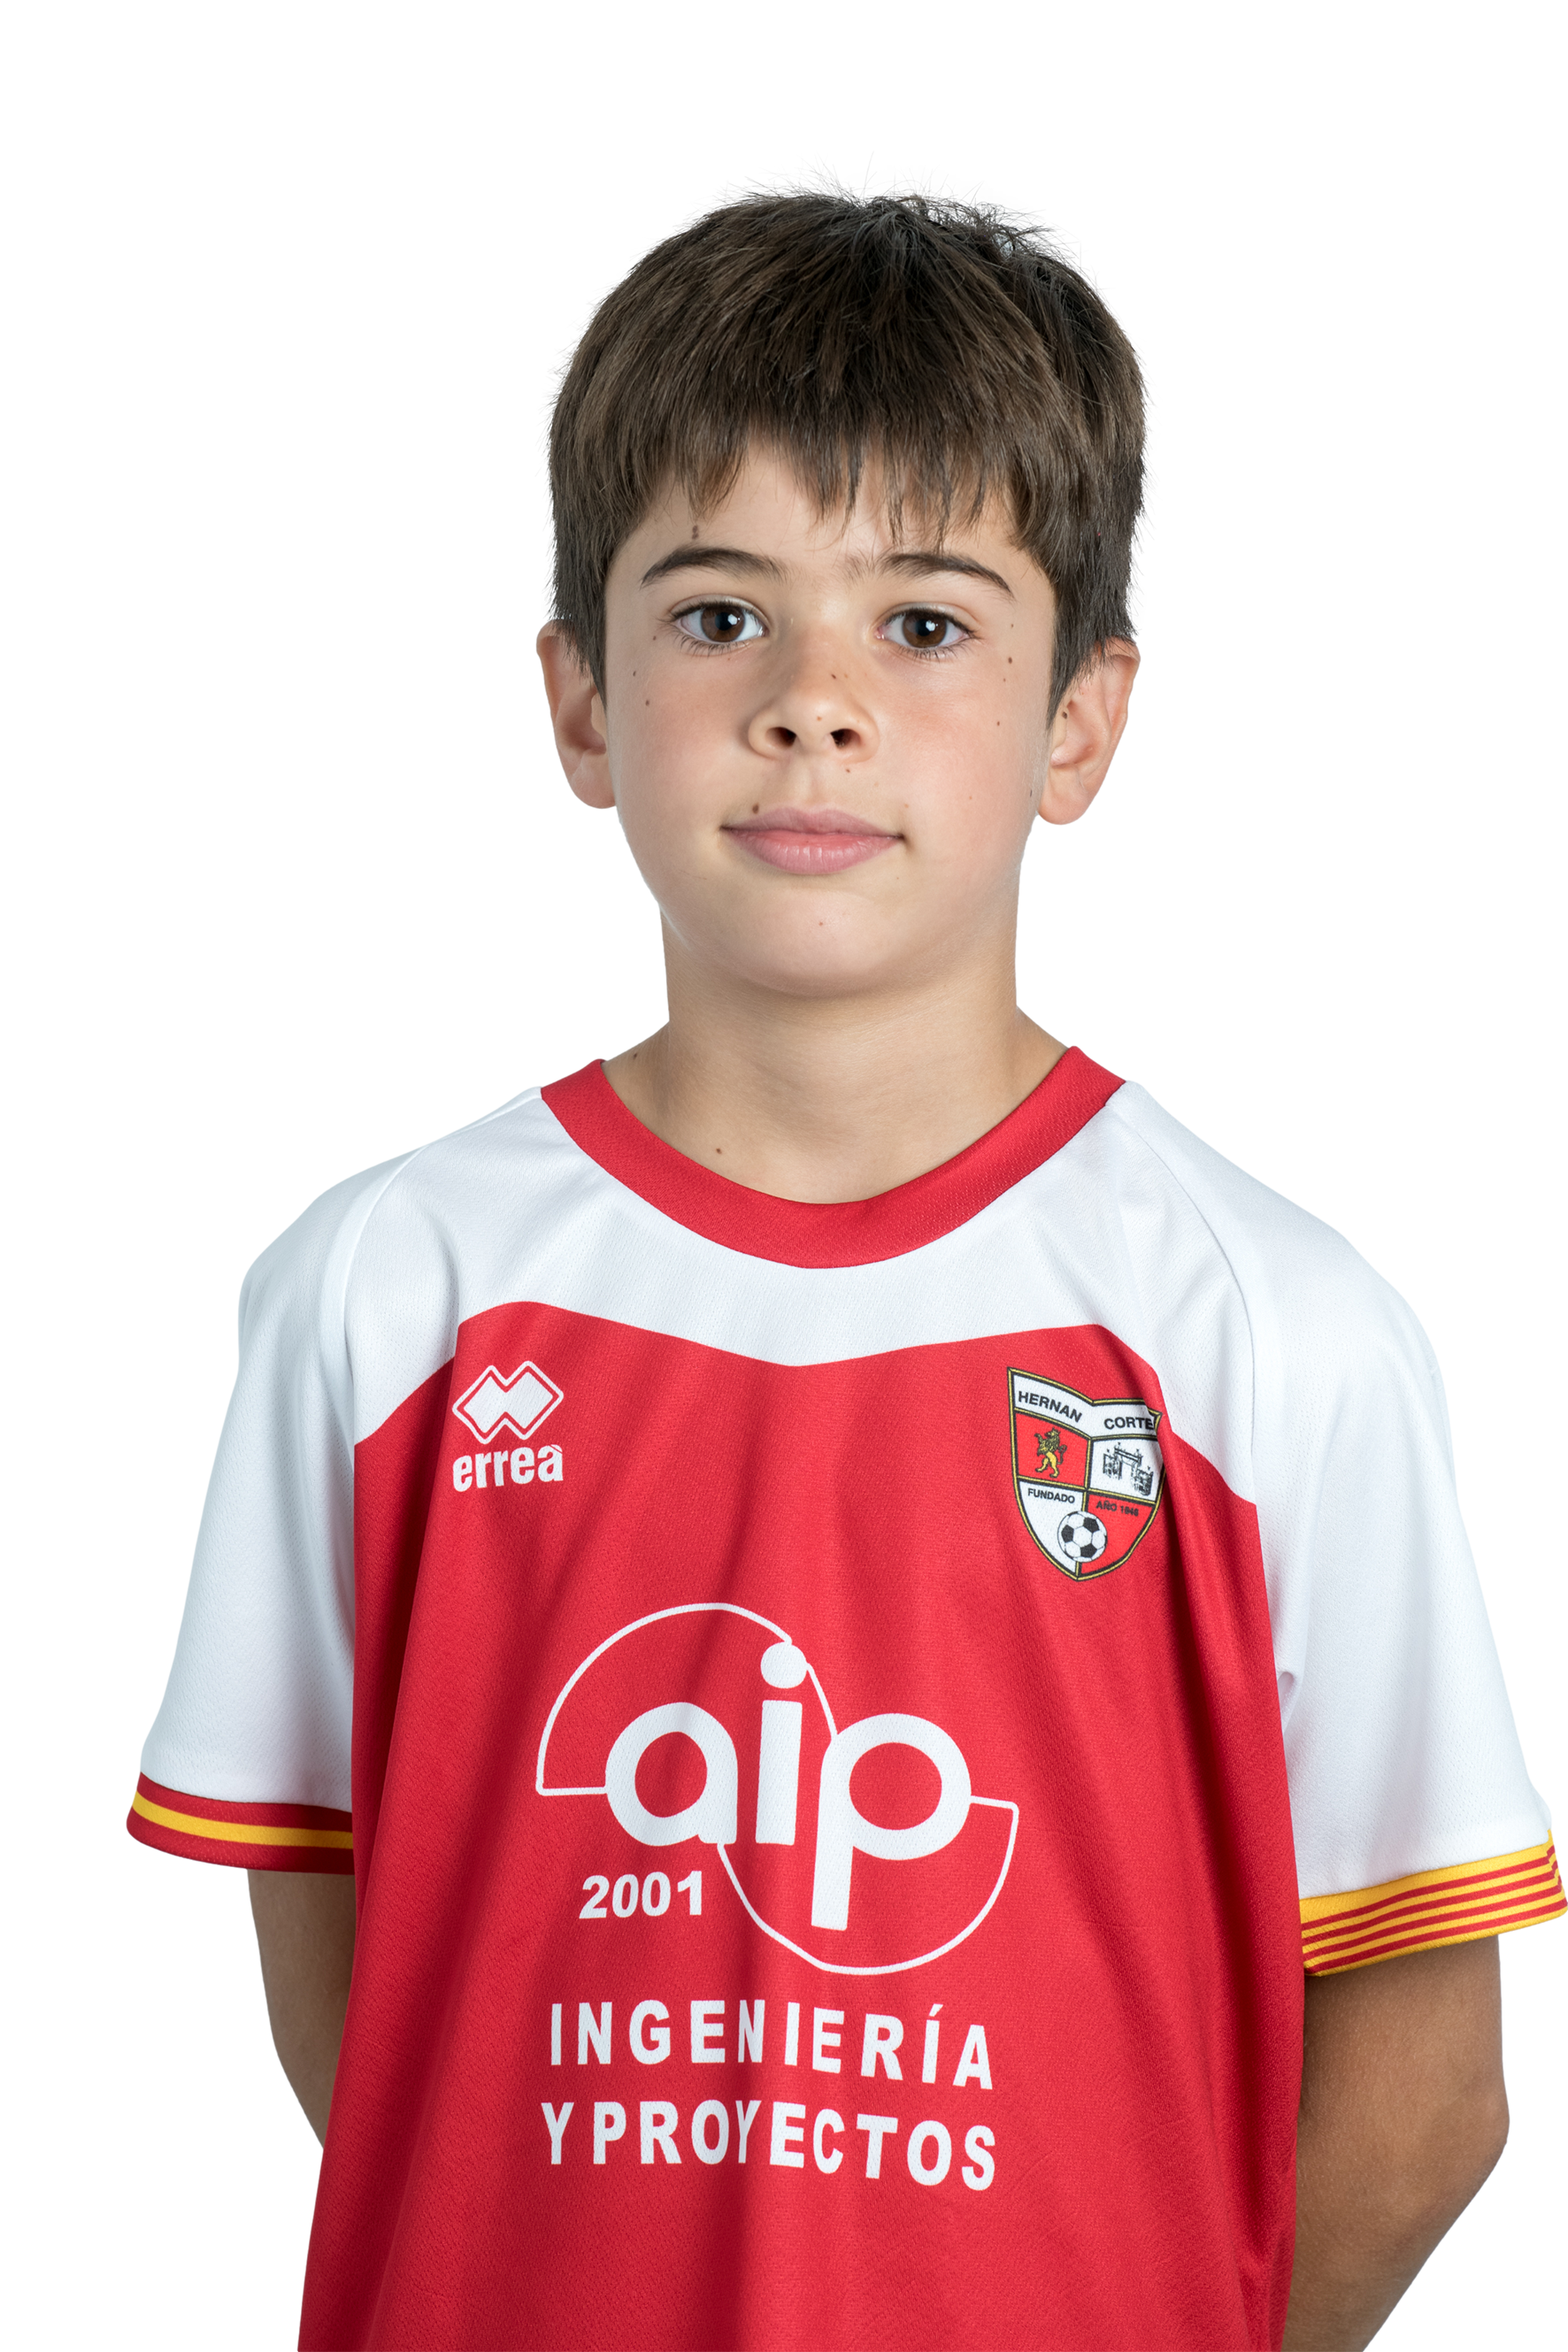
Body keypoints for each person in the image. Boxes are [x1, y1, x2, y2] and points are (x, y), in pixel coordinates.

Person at [127, 161, 1563, 2352]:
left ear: (1080, 716)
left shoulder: (1274, 1334)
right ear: (579, 701)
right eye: (719, 617)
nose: (814, 701)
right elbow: (380, 2014)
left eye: (923, 624)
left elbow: (1423, 2101)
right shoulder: (383, 1291)